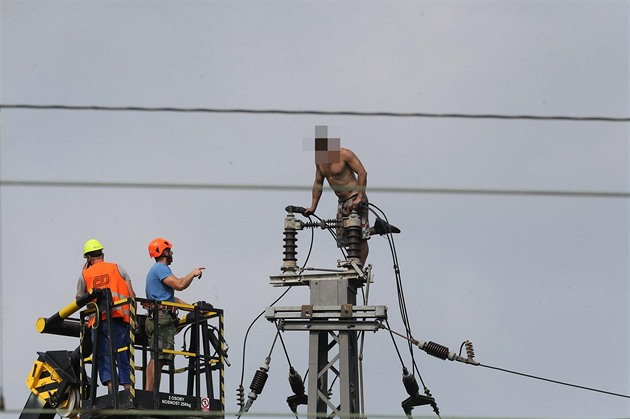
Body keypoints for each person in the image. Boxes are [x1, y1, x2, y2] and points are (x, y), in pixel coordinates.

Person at [305, 131, 399, 265]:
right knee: (345, 238)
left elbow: (362, 173)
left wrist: (360, 196)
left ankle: (359, 265)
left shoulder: (344, 154)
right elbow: (318, 183)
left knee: (360, 237)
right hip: (341, 202)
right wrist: (313, 206)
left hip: (355, 197)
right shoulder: (320, 162)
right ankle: (378, 229)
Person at [144, 237, 205, 391]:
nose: (172, 253)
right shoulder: (160, 268)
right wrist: (193, 273)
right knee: (157, 358)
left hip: (158, 317)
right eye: (169, 250)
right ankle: (150, 395)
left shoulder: (158, 270)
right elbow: (179, 285)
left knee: (159, 358)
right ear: (164, 251)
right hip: (161, 319)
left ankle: (151, 394)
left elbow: (172, 299)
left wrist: (193, 309)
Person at [76, 239, 136, 393]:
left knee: (104, 356)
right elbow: (132, 295)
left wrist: (85, 273)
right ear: (102, 253)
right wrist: (133, 319)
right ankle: (128, 391)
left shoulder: (85, 274)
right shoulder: (118, 268)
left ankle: (112, 393)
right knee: (123, 354)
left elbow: (79, 299)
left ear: (88, 258)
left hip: (98, 321)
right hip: (120, 319)